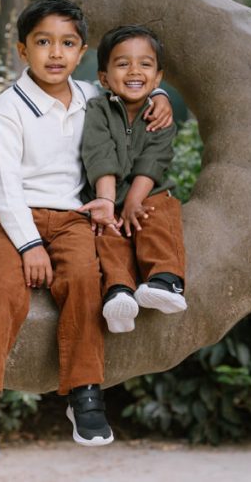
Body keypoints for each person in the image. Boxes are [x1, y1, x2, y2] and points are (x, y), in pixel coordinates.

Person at [0, 0, 172, 465]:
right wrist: (29, 244)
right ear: (22, 50)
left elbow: (133, 96)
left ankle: (85, 394)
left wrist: (157, 98)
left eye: (67, 43)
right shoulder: (9, 108)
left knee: (83, 284)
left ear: (81, 53)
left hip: (77, 218)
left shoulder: (94, 99)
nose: (55, 53)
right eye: (43, 42)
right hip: (19, 218)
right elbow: (4, 185)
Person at [80, 25, 187, 335]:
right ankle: (118, 291)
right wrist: (108, 202)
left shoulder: (159, 114)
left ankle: (164, 280)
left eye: (145, 64)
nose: (134, 71)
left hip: (147, 191)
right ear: (103, 77)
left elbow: (154, 159)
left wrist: (135, 201)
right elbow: (100, 155)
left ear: (157, 78)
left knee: (159, 216)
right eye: (122, 63)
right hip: (106, 192)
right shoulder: (97, 110)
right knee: (104, 232)